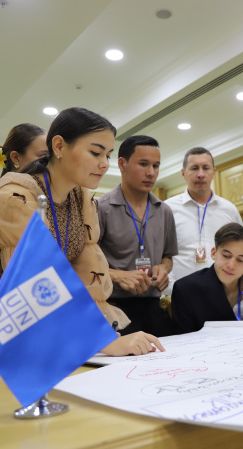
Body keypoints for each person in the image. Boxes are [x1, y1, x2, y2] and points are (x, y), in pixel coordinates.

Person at [0, 107, 164, 357]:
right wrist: (102, 342)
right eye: (96, 152)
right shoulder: (14, 196)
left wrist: (103, 335)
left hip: (51, 333)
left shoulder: (80, 197)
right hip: (0, 337)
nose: (104, 164)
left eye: (108, 155)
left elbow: (89, 279)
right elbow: (33, 282)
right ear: (59, 146)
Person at [98, 135, 178, 337]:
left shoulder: (164, 211)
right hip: (113, 307)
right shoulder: (101, 208)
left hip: (154, 306)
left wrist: (163, 268)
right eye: (143, 164)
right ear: (122, 164)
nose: (151, 173)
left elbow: (168, 256)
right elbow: (84, 266)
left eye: (156, 166)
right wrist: (118, 276)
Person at [164, 147, 242, 295]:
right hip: (180, 295)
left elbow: (241, 251)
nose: (201, 174)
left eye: (206, 168)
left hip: (223, 295)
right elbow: (159, 254)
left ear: (213, 172)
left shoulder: (229, 209)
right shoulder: (167, 209)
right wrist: (172, 289)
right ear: (183, 173)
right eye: (194, 168)